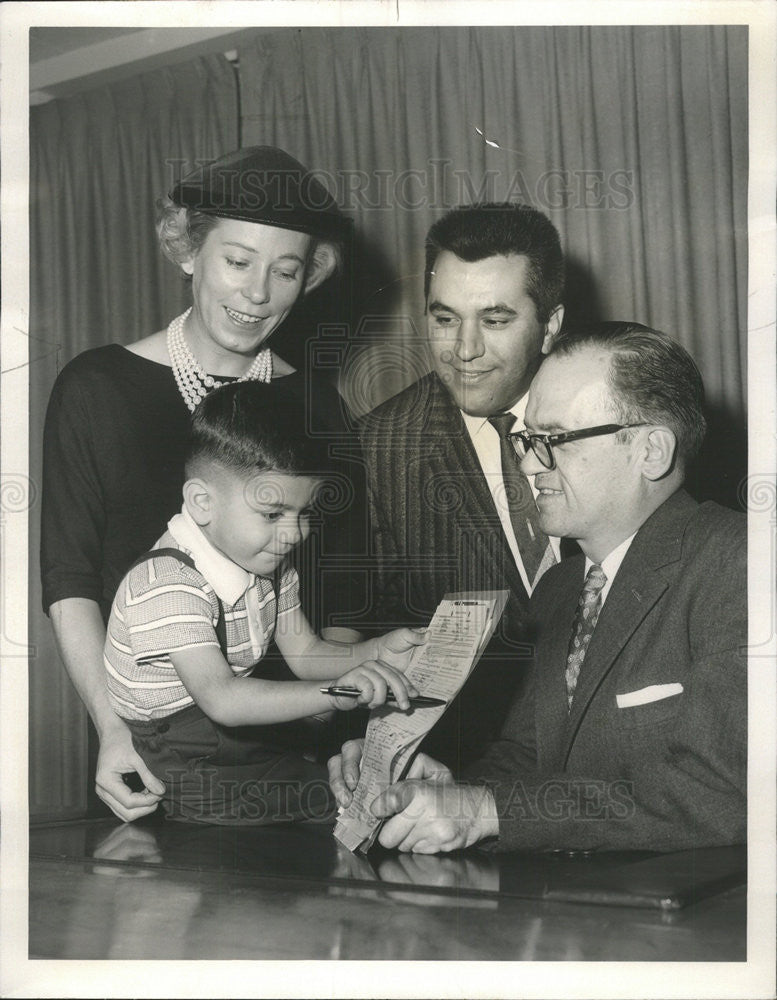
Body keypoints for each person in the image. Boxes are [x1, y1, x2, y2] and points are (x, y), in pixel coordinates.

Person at [330, 322, 747, 853]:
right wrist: (444, 788)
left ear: (652, 451)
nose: (528, 464)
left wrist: (488, 809)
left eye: (553, 441)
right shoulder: (561, 586)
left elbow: (725, 793)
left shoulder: (742, 562)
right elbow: (530, 759)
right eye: (529, 441)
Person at [41, 146, 364, 822]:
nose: (256, 294)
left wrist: (347, 727)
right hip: (147, 748)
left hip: (290, 743)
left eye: (285, 271)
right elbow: (71, 583)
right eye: (237, 262)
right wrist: (111, 730)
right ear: (189, 250)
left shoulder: (318, 408)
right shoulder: (97, 387)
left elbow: (333, 588)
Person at [104, 382, 423, 824]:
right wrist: (337, 694)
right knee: (335, 804)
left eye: (305, 512)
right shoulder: (166, 584)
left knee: (340, 786)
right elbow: (224, 700)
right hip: (174, 756)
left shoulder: (267, 565)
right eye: (273, 514)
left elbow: (308, 654)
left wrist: (377, 651)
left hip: (233, 735)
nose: (295, 534)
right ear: (202, 502)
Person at [358, 203, 565, 766]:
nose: (464, 350)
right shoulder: (376, 449)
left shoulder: (621, 408)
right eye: (444, 319)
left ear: (551, 325)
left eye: (495, 320)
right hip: (460, 771)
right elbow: (353, 649)